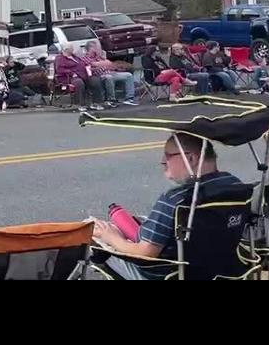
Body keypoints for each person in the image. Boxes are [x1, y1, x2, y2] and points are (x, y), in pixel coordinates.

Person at [90, 133, 245, 280]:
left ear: (191, 158)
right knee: (128, 225)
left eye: (168, 155)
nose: (162, 161)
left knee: (91, 234)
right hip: (218, 267)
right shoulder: (235, 186)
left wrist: (110, 238)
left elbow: (145, 253)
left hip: (168, 273)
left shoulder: (176, 200)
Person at [55, 44, 105, 111]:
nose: (73, 50)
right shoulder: (60, 58)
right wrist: (72, 73)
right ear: (66, 50)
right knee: (79, 83)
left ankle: (97, 103)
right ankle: (81, 104)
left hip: (83, 75)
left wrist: (88, 68)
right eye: (71, 48)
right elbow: (59, 70)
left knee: (95, 80)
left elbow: (83, 64)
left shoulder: (75, 57)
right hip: (69, 78)